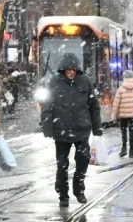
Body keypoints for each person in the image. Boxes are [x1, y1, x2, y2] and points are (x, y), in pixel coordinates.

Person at [41, 53, 102, 207]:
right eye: (68, 70)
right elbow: (47, 106)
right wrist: (47, 127)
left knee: (83, 161)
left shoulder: (85, 82)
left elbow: (94, 106)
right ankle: (63, 194)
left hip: (82, 130)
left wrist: (97, 128)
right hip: (61, 131)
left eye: (74, 70)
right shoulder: (54, 82)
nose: (71, 72)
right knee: (62, 165)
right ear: (63, 70)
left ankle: (79, 188)